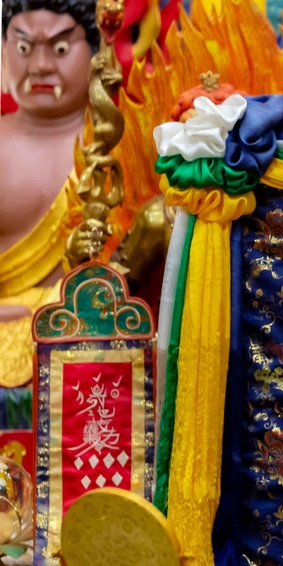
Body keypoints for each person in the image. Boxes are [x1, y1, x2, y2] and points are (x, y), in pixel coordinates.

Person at [0, 0, 96, 388]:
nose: (39, 66)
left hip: (90, 337)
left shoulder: (116, 144)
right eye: (24, 48)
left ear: (96, 53)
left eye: (59, 48)